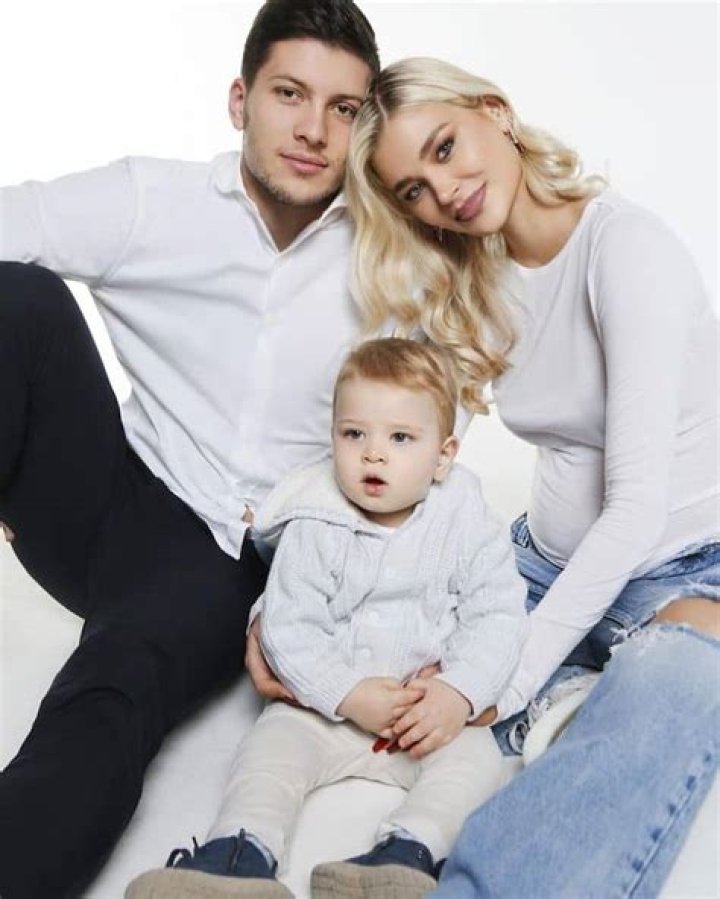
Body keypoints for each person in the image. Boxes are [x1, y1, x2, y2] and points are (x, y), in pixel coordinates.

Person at [0, 2, 380, 896]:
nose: (314, 130)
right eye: (290, 95)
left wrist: (298, 603)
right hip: (103, 489)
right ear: (240, 100)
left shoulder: (388, 260)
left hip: (221, 552)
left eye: (343, 109)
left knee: (113, 688)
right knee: (19, 300)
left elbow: (403, 458)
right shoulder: (155, 200)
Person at [341, 57, 720, 897]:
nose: (444, 191)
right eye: (413, 189)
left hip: (689, 574)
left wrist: (500, 680)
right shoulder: (475, 277)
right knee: (358, 640)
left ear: (497, 112)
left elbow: (636, 507)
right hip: (541, 565)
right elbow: (414, 445)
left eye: (445, 147)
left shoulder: (627, 251)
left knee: (670, 694)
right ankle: (571, 684)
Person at [125, 337, 527, 899]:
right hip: (326, 712)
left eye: (401, 438)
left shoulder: (467, 522)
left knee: (476, 759)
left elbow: (498, 615)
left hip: (422, 714)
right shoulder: (316, 519)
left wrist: (458, 693)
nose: (373, 455)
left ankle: (408, 854)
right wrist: (347, 693)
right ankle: (237, 854)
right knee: (271, 751)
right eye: (354, 434)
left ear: (443, 455)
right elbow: (289, 627)